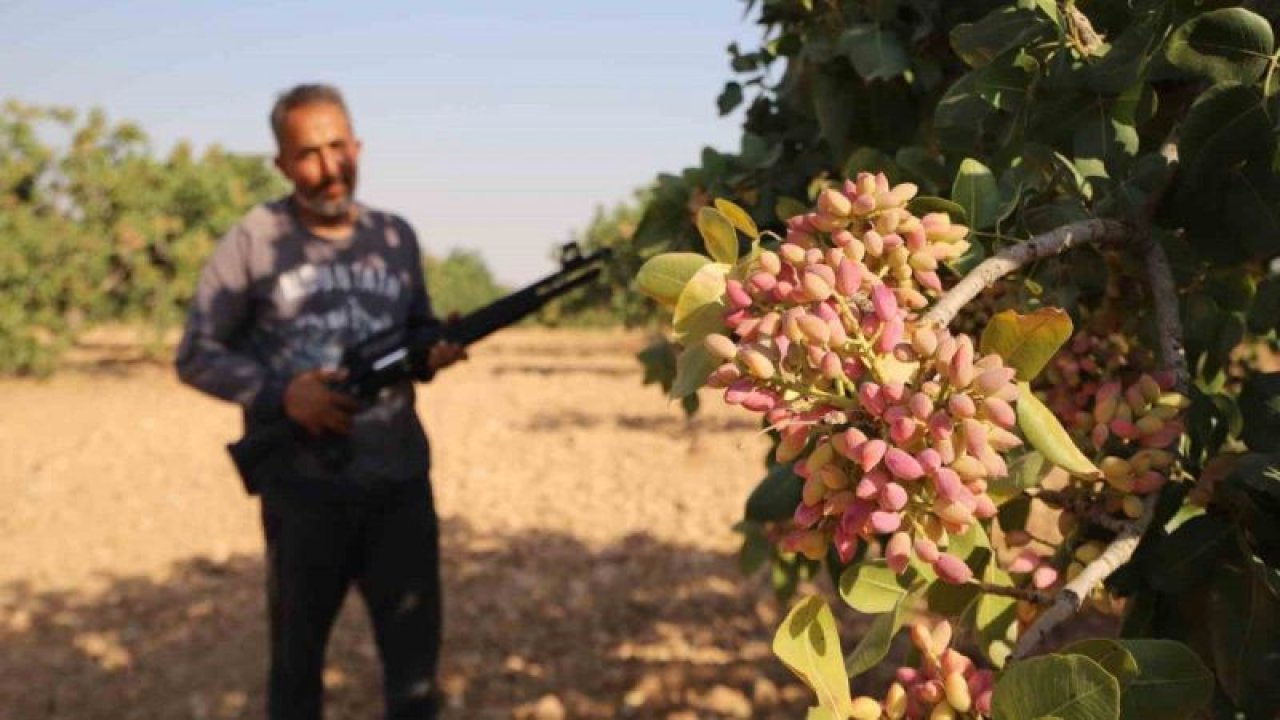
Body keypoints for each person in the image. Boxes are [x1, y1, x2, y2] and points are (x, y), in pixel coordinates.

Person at [175, 83, 465, 720]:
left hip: (399, 486)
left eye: (339, 147)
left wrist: (434, 353)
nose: (330, 167)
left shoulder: (396, 238)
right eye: (308, 153)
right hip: (304, 495)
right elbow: (195, 353)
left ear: (358, 145)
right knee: (296, 670)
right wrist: (283, 395)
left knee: (415, 676)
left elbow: (416, 339)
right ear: (281, 163)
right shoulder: (253, 241)